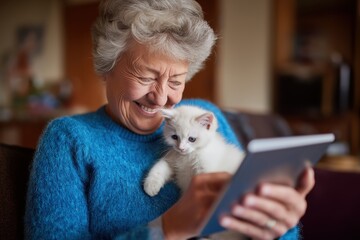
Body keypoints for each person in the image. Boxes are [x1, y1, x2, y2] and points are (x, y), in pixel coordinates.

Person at [25, 0, 315, 239]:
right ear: (106, 67)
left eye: (176, 81)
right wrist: (164, 229)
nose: (162, 97)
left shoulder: (202, 117)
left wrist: (279, 225)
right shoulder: (70, 139)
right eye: (146, 77)